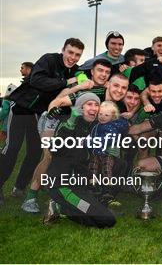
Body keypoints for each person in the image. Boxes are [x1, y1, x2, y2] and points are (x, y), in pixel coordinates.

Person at [0, 38, 84, 204]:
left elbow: (80, 79)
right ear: (63, 50)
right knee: (12, 148)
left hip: (39, 113)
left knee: (35, 152)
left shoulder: (74, 70)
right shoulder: (49, 59)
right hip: (21, 108)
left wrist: (81, 78)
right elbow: (36, 80)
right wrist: (66, 82)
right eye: (70, 52)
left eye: (77, 55)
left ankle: (19, 187)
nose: (73, 57)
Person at [43, 93, 116, 228]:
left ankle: (65, 209)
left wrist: (89, 177)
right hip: (62, 186)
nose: (93, 108)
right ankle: (58, 205)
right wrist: (70, 123)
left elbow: (80, 160)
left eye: (96, 105)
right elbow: (54, 149)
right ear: (80, 107)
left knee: (104, 216)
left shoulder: (89, 127)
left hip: (78, 184)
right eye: (89, 104)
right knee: (106, 220)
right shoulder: (67, 123)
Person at [87, 101, 129, 206]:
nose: (102, 117)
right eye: (100, 114)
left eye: (106, 115)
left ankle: (108, 187)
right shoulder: (96, 125)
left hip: (108, 153)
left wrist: (94, 143)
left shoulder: (111, 127)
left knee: (107, 166)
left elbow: (108, 139)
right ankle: (93, 184)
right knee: (93, 165)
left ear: (113, 117)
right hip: (96, 152)